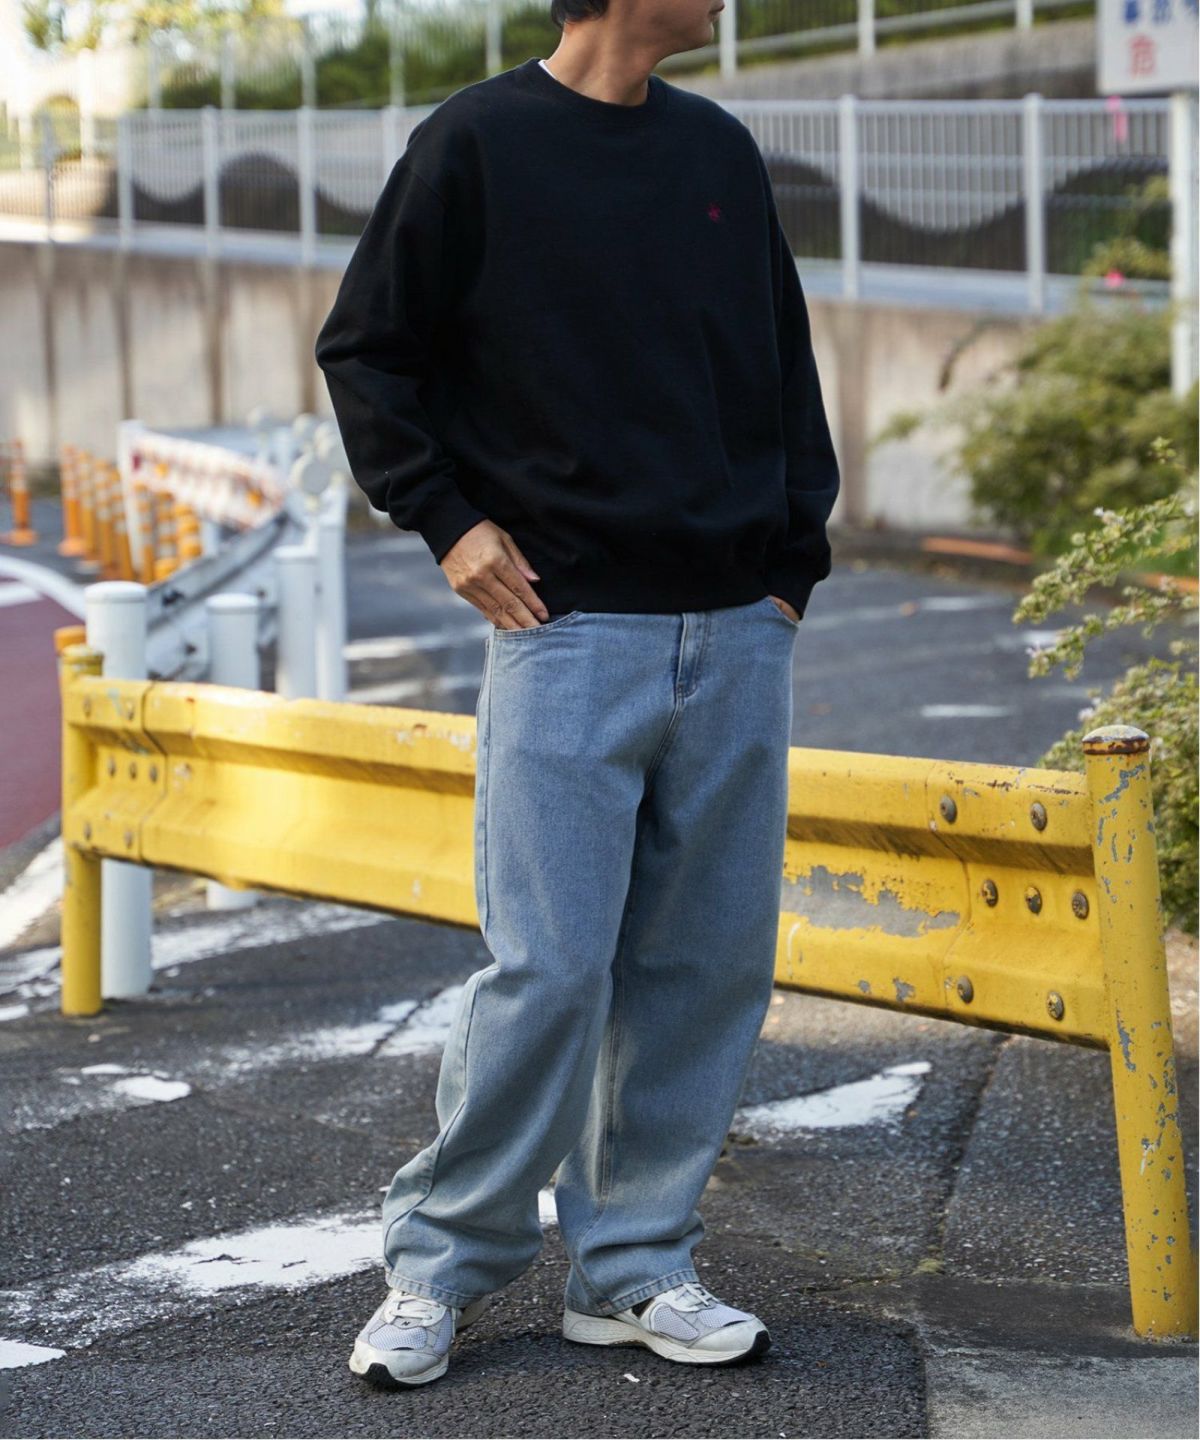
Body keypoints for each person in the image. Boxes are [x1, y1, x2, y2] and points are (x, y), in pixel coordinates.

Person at [315, 0, 840, 1391]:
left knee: (703, 969)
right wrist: (447, 521)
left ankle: (632, 1268)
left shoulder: (717, 151)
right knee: (548, 969)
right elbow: (367, 349)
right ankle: (437, 1266)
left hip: (737, 629)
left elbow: (784, 369)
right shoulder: (478, 143)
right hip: (565, 627)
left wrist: (792, 564)